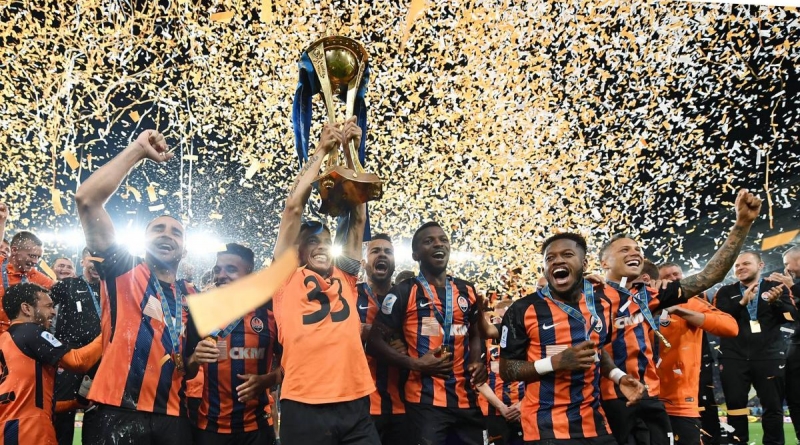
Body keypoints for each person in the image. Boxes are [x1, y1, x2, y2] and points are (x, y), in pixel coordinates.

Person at [598, 189, 762, 445]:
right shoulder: (586, 297)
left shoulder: (651, 295)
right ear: (604, 263)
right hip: (605, 400)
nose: (635, 252)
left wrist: (742, 224)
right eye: (624, 249)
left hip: (650, 398)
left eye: (638, 249)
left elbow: (709, 276)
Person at [75, 129, 199, 444]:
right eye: (158, 229)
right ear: (143, 242)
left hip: (174, 416)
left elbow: (190, 364)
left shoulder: (193, 296)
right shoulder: (123, 269)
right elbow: (87, 200)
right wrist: (138, 150)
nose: (167, 234)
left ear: (184, 250)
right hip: (115, 411)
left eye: (176, 232)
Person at [271, 118, 379, 445]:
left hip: (355, 402)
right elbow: (293, 207)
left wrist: (351, 151)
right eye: (312, 241)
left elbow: (357, 217)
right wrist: (321, 150)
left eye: (326, 241)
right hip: (304, 403)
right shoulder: (285, 278)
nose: (321, 246)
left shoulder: (344, 275)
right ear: (297, 250)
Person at [499, 233, 644, 443]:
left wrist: (617, 376)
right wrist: (555, 363)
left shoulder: (601, 305)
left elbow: (596, 350)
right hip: (545, 427)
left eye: (567, 254)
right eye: (550, 258)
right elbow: (507, 370)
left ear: (584, 264)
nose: (557, 261)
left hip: (594, 423)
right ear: (544, 268)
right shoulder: (522, 309)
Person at [368, 221, 488, 445]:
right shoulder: (404, 292)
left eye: (443, 240)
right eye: (429, 241)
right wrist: (415, 364)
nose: (438, 244)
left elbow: (474, 333)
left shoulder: (467, 290)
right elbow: (374, 342)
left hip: (466, 400)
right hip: (424, 404)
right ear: (415, 255)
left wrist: (476, 360)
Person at [184, 243, 281, 445]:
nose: (221, 275)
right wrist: (194, 359)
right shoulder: (201, 312)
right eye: (217, 269)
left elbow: (293, 365)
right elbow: (186, 371)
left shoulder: (271, 312)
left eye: (231, 269)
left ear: (249, 273)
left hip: (258, 429)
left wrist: (267, 380)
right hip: (210, 429)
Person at [0, 283, 102, 444]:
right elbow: (78, 362)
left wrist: (73, 404)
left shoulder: (6, 340)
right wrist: (110, 332)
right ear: (26, 309)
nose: (53, 312)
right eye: (48, 306)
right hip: (29, 429)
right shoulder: (31, 331)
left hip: (10, 428)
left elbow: (33, 404)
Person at [713, 251, 796, 445]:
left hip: (769, 356)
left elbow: (791, 317)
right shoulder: (725, 292)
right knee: (735, 408)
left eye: (746, 263)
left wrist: (777, 303)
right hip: (733, 356)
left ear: (760, 265)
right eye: (737, 265)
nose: (740, 268)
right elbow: (717, 320)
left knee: (773, 408)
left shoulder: (777, 288)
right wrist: (741, 303)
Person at [654, 262, 738, 445]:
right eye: (667, 276)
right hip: (643, 396)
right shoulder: (636, 301)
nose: (673, 279)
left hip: (680, 398)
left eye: (676, 274)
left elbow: (731, 327)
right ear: (656, 281)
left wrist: (680, 311)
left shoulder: (691, 302)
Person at [357, 233, 408, 445]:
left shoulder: (406, 297)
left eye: (388, 252)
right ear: (363, 262)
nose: (382, 255)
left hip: (402, 406)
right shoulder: (350, 295)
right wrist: (360, 331)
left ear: (394, 262)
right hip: (360, 406)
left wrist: (406, 344)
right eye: (375, 251)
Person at [49, 248, 103, 445]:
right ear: (82, 262)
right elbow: (43, 308)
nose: (96, 266)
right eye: (92, 261)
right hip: (70, 356)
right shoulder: (68, 285)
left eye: (100, 261)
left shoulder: (110, 288)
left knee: (96, 411)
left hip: (100, 357)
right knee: (64, 413)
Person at [0, 230, 55, 333]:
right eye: (32, 256)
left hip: (17, 338)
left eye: (38, 257)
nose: (35, 261)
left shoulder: (37, 277)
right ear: (14, 250)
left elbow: (63, 289)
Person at [774, 245, 800, 443]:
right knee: (794, 395)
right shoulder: (793, 287)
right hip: (796, 344)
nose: (786, 268)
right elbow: (792, 317)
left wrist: (792, 287)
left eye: (786, 263)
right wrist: (777, 301)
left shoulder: (794, 286)